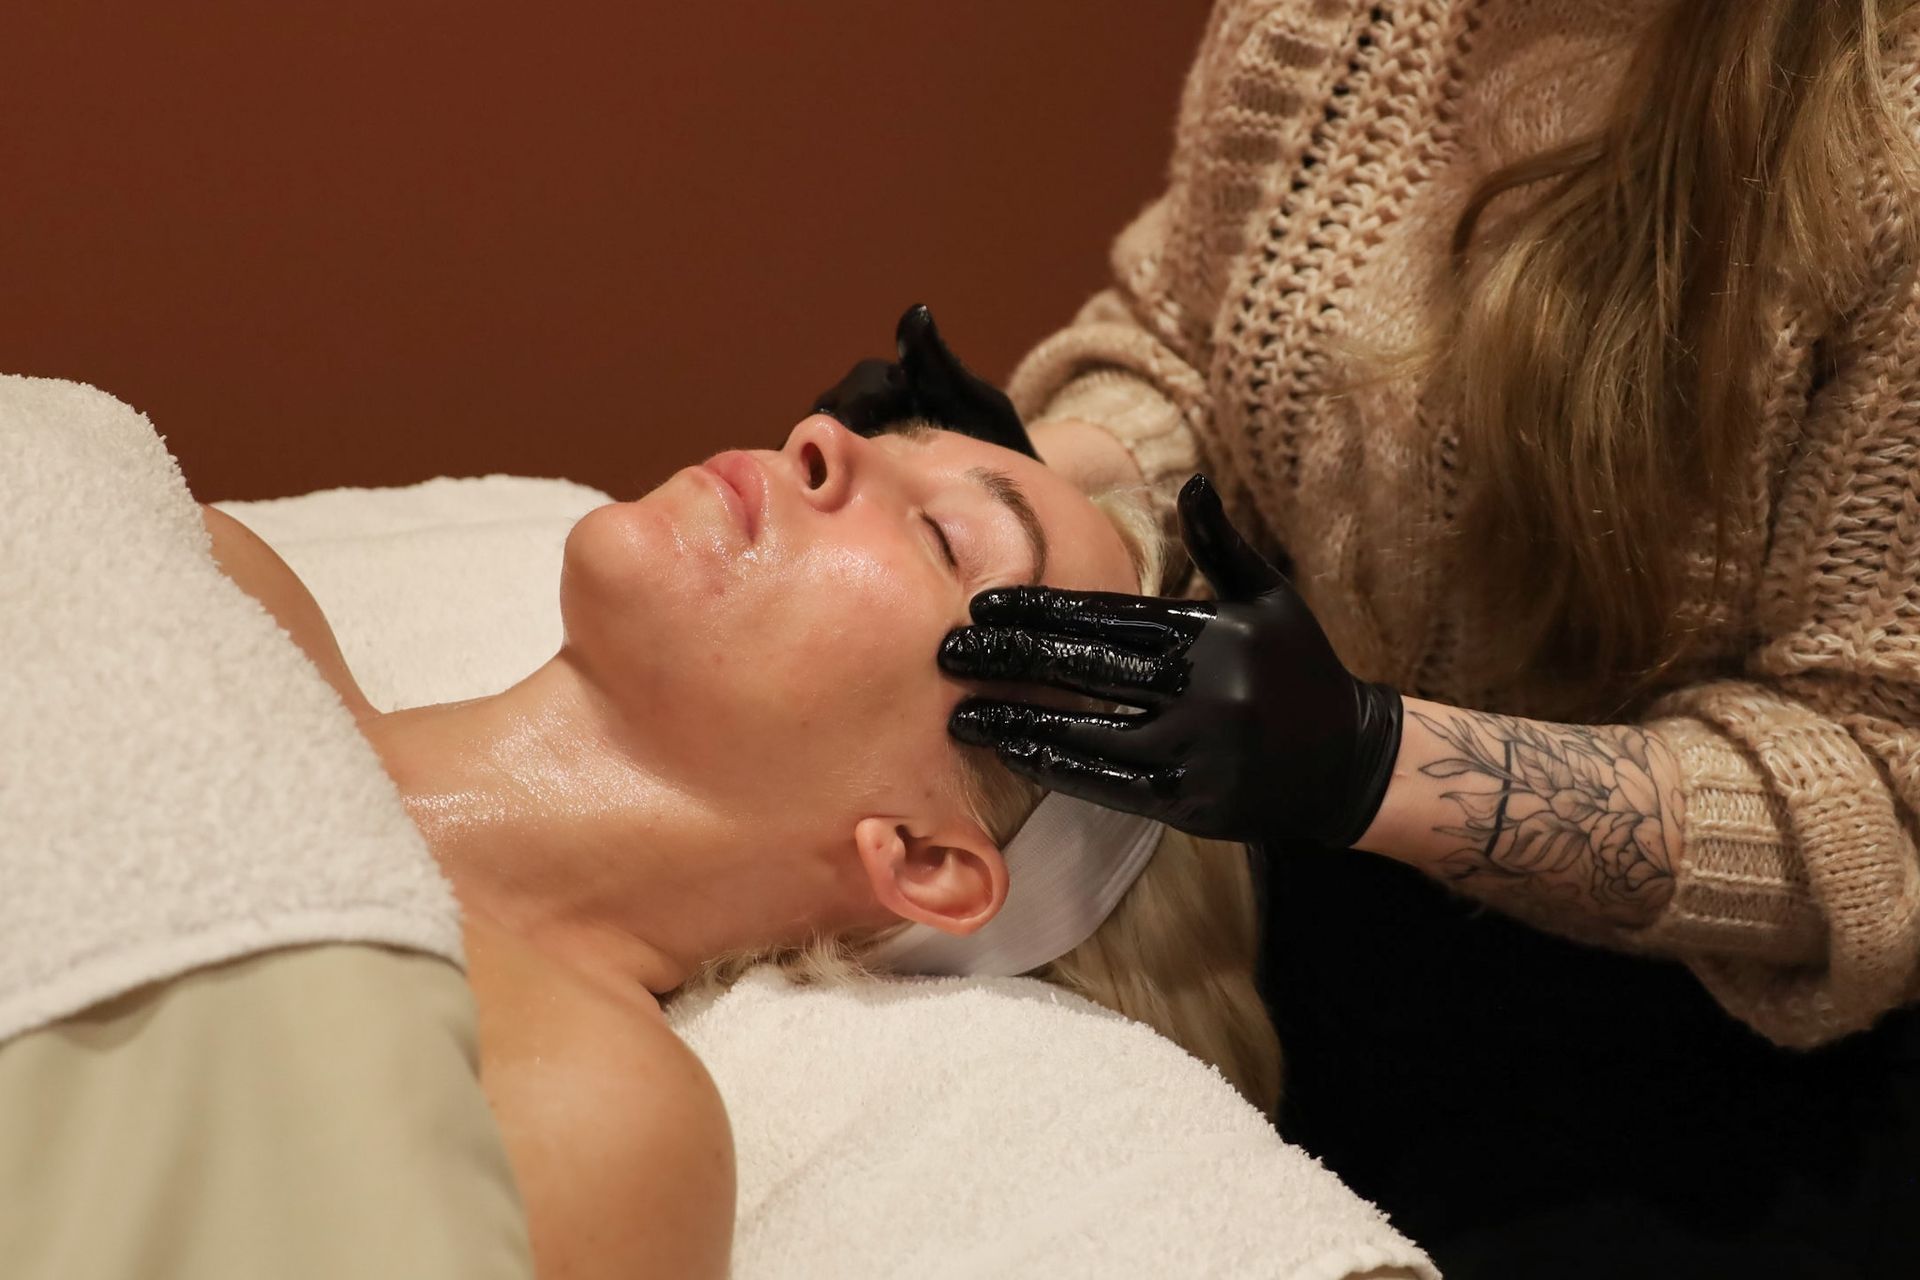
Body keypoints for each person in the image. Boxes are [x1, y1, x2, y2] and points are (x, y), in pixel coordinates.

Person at [843, 3, 1920, 1275]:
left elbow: (1877, 786)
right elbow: (1198, 345)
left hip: (1710, 1084)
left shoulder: (1885, 150)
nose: (817, 460)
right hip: (1327, 872)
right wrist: (1039, 479)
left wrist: (1376, 760)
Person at [196, 402, 1282, 1278]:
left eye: (947, 537)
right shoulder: (210, 581)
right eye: (896, 436)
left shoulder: (598, 1127)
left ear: (924, 857)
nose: (826, 434)